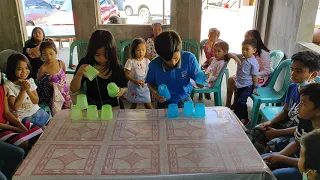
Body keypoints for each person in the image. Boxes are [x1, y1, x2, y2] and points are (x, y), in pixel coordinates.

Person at [251, 51, 320, 154]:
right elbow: (285, 111)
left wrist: (277, 133)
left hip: (299, 133)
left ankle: (275, 155)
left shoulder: (313, 97)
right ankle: (273, 151)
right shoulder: (293, 87)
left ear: (313, 74)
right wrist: (270, 122)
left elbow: (303, 128)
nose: (293, 74)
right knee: (257, 131)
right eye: (292, 69)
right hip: (287, 125)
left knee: (272, 145)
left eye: (299, 71)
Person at [262, 83, 320, 180]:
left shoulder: (317, 137)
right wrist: (278, 156)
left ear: (318, 111)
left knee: (275, 175)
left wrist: (282, 159)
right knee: (261, 160)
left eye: (303, 104)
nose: (298, 107)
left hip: (310, 172)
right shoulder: (305, 121)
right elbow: (296, 143)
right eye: (300, 102)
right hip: (298, 159)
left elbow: (309, 166)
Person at [70, 30, 127, 109]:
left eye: (106, 55)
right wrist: (79, 74)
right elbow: (73, 89)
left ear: (111, 52)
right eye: (97, 54)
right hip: (92, 106)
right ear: (92, 52)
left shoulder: (116, 66)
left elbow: (125, 86)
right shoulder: (86, 64)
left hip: (113, 106)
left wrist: (122, 91)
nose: (102, 59)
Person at [145, 30, 201, 109]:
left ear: (180, 49)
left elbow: (199, 84)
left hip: (184, 100)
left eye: (175, 58)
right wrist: (155, 93)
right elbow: (149, 83)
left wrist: (204, 79)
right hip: (164, 102)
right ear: (160, 56)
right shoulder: (154, 65)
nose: (172, 62)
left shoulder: (189, 59)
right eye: (167, 59)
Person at [226, 29, 272, 108]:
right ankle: (230, 104)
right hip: (248, 74)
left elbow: (268, 71)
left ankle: (238, 103)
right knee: (232, 79)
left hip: (259, 77)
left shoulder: (263, 53)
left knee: (239, 80)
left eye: (248, 38)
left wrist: (253, 74)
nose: (246, 40)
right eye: (245, 38)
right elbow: (230, 54)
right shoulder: (247, 51)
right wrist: (235, 57)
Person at [4, 53, 50, 127]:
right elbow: (15, 107)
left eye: (26, 68)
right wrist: (22, 91)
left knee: (52, 124)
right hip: (24, 118)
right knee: (43, 131)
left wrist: (28, 90)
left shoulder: (30, 81)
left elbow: (36, 101)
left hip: (36, 111)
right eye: (19, 69)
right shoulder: (9, 85)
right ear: (12, 69)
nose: (24, 71)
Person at [0, 71, 42, 149]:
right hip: (2, 129)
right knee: (23, 142)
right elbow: (15, 107)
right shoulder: (7, 86)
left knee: (41, 130)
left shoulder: (2, 89)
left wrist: (19, 124)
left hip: (9, 122)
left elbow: (6, 112)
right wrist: (16, 129)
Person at [232, 38, 259, 126]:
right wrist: (235, 57)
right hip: (239, 85)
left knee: (241, 102)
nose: (244, 51)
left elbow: (255, 76)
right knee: (239, 102)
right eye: (243, 49)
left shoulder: (253, 62)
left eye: (247, 49)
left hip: (247, 86)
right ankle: (244, 118)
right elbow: (229, 54)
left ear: (254, 50)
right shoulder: (241, 57)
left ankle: (238, 118)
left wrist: (255, 88)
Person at [37, 40, 71, 110]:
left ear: (55, 52)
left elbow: (64, 73)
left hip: (64, 91)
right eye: (45, 55)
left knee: (68, 109)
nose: (49, 57)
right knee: (57, 111)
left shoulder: (60, 63)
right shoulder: (43, 68)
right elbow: (39, 82)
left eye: (51, 54)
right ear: (41, 55)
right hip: (53, 94)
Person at [124, 38, 152, 109]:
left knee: (148, 104)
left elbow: (149, 73)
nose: (141, 52)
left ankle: (153, 119)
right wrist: (135, 81)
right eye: (138, 50)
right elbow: (126, 74)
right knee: (134, 103)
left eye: (143, 50)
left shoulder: (147, 61)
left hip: (144, 86)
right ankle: (130, 119)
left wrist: (145, 81)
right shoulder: (130, 61)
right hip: (134, 87)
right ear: (134, 51)